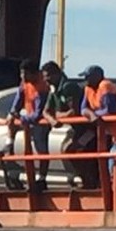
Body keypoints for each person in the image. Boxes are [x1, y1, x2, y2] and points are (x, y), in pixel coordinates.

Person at [42, 60, 94, 188]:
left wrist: (58, 115)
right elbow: (46, 111)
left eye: (47, 76)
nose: (45, 79)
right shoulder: (54, 90)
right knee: (68, 151)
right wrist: (52, 119)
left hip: (90, 130)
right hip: (77, 130)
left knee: (71, 150)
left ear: (56, 74)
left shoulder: (68, 87)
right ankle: (86, 181)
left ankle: (91, 182)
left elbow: (73, 112)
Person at [6, 59, 52, 191]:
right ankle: (9, 147)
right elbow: (18, 100)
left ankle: (41, 179)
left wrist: (22, 117)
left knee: (41, 150)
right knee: (11, 123)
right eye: (21, 74)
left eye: (26, 74)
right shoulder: (24, 83)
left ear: (35, 73)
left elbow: (38, 113)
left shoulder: (42, 86)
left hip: (39, 121)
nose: (23, 77)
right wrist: (12, 113)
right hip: (28, 119)